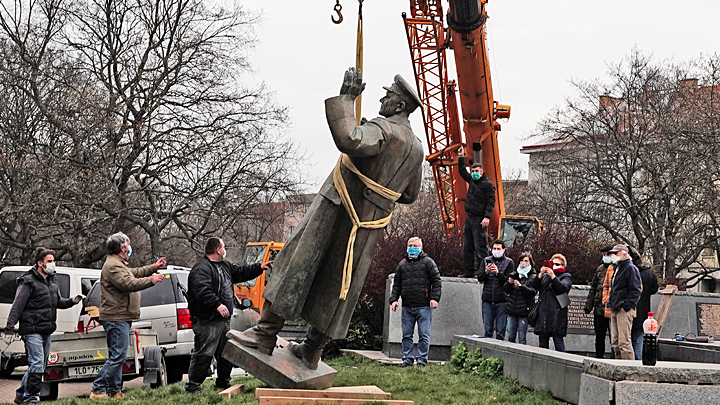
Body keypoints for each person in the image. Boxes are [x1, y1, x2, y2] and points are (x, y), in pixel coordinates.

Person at [229, 67, 424, 371]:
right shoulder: (416, 148)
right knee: (341, 284)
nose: (382, 99)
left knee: (294, 264)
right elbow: (410, 195)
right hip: (368, 227)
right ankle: (311, 349)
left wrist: (347, 98)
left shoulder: (384, 129)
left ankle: (264, 334)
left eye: (388, 96)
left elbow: (349, 139)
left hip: (337, 208)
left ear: (399, 106)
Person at [184, 237, 271, 393]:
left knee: (227, 352)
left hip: (223, 320)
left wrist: (260, 267)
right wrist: (217, 304)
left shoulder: (224, 266)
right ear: (218, 249)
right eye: (223, 246)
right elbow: (202, 291)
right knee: (204, 353)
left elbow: (241, 272)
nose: (225, 249)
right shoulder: (201, 269)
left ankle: (223, 381)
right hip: (207, 320)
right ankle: (193, 385)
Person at [90, 233, 166, 400]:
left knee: (116, 356)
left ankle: (114, 391)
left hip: (121, 316)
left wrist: (153, 267)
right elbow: (128, 284)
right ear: (121, 248)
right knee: (118, 356)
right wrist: (151, 280)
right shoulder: (113, 266)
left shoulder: (118, 264)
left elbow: (135, 273)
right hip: (116, 317)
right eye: (128, 245)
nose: (130, 247)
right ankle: (98, 389)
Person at [3, 248, 82, 404]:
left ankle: (20, 394)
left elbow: (58, 302)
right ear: (40, 263)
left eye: (53, 261)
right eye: (50, 261)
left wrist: (72, 300)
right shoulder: (28, 281)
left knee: (39, 365)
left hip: (46, 329)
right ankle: (30, 398)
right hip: (31, 330)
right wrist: (9, 328)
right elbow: (17, 306)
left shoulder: (52, 280)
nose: (53, 264)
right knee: (37, 364)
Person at [389, 237, 441, 367]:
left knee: (424, 335)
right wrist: (394, 300)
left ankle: (422, 360)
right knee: (407, 335)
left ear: (421, 248)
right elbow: (397, 285)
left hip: (424, 306)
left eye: (415, 245)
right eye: (410, 245)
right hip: (407, 306)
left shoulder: (428, 262)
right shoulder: (402, 265)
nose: (412, 247)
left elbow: (436, 281)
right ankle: (407, 359)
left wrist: (434, 298)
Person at [457, 145, 496, 278]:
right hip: (470, 217)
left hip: (480, 219)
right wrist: (461, 157)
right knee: (467, 247)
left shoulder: (488, 185)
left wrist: (487, 217)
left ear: (482, 171)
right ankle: (469, 272)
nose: (474, 172)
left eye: (476, 170)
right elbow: (462, 171)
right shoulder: (473, 181)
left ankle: (484, 273)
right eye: (473, 170)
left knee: (480, 248)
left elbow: (491, 203)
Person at [605, 244, 642, 360]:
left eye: (616, 253)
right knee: (615, 342)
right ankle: (619, 367)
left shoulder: (630, 268)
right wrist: (611, 302)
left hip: (623, 309)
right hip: (616, 307)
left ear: (624, 254)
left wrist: (626, 306)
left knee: (624, 342)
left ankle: (629, 370)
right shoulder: (618, 268)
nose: (613, 256)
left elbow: (636, 290)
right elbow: (614, 289)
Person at [532, 254, 573, 352]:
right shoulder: (545, 277)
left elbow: (563, 288)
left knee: (558, 340)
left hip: (557, 313)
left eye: (557, 264)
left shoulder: (566, 276)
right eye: (552, 263)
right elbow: (535, 286)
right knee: (542, 341)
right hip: (544, 313)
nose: (554, 266)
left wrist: (553, 276)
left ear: (563, 266)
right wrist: (540, 274)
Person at [477, 240, 514, 340]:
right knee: (488, 329)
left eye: (498, 249)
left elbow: (508, 281)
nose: (496, 251)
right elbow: (480, 278)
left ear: (504, 250)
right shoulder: (486, 260)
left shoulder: (509, 262)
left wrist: (498, 273)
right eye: (494, 249)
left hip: (502, 300)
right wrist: (486, 272)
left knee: (500, 331)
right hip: (487, 299)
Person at [584, 245, 614, 358]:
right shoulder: (600, 269)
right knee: (599, 336)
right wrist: (589, 304)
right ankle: (599, 356)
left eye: (608, 254)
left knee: (614, 337)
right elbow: (593, 288)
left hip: (611, 309)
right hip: (599, 309)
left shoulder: (616, 268)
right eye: (604, 254)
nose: (605, 256)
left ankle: (614, 357)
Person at [503, 253, 537, 345]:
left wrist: (521, 286)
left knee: (522, 338)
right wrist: (509, 283)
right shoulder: (515, 273)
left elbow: (532, 292)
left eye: (526, 261)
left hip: (523, 311)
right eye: (522, 260)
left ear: (530, 263)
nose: (523, 263)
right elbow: (506, 290)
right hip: (512, 310)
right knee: (510, 336)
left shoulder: (533, 276)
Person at [631, 260, 658, 360]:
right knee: (639, 339)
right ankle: (639, 360)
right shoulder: (648, 273)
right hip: (644, 311)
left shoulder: (628, 271)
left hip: (630, 310)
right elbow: (654, 288)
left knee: (629, 340)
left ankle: (635, 361)